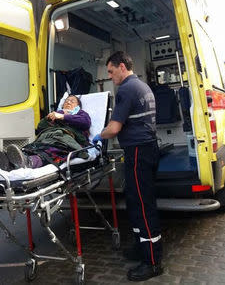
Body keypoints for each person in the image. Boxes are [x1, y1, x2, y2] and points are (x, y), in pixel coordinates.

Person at [93, 51, 162, 281]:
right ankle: (140, 248)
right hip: (148, 149)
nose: (110, 76)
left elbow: (113, 129)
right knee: (135, 200)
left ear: (122, 66)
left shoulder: (126, 90)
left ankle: (152, 261)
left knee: (142, 205)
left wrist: (98, 135)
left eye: (111, 72)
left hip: (138, 152)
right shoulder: (142, 86)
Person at [0, 94, 91, 170]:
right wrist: (49, 118)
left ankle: (29, 162)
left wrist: (63, 116)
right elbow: (40, 127)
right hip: (48, 138)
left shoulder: (81, 114)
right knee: (33, 147)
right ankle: (11, 163)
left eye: (72, 101)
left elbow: (85, 123)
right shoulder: (56, 114)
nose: (68, 102)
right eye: (66, 101)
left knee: (52, 150)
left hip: (66, 141)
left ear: (78, 106)